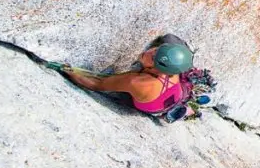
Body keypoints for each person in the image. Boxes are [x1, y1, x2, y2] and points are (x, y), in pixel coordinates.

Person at [53, 34, 194, 117]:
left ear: (157, 68)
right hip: (175, 92)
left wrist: (67, 70)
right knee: (169, 38)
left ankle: (187, 111)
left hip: (154, 106)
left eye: (153, 58)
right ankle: (186, 108)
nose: (148, 52)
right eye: (156, 49)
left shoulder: (136, 82)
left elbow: (97, 84)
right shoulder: (174, 68)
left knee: (119, 94)